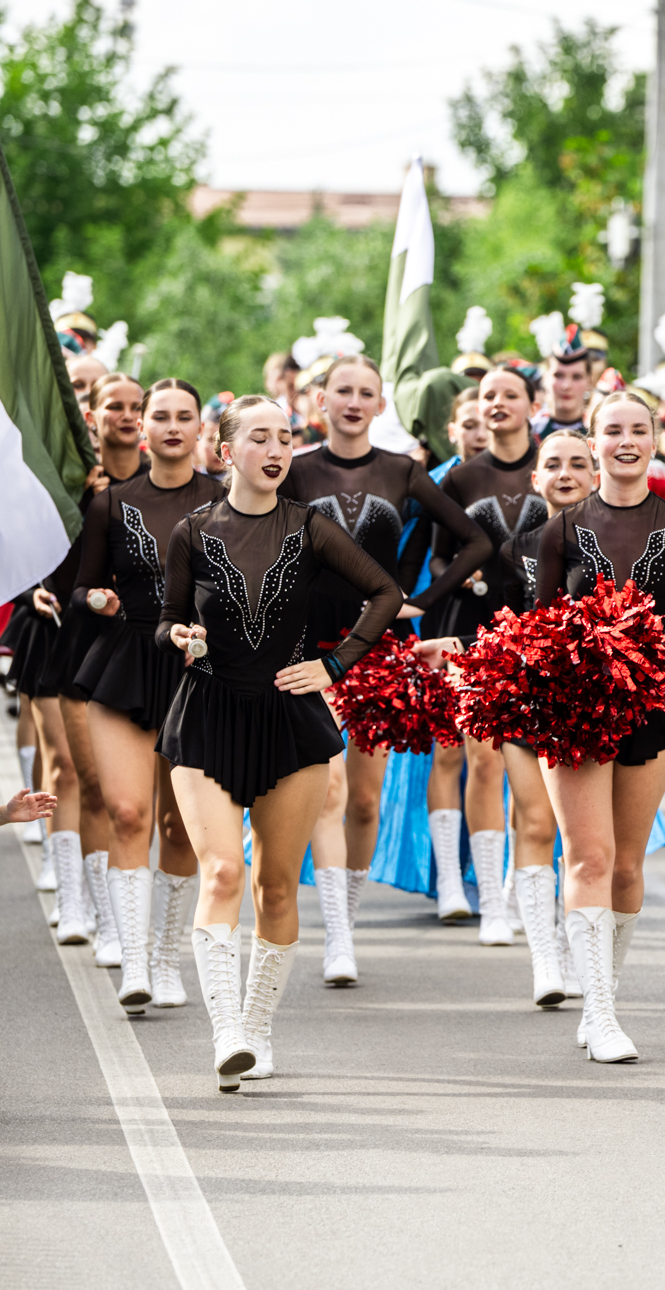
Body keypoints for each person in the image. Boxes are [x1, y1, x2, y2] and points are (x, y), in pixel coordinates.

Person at [157, 395, 404, 1090]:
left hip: (291, 720)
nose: (275, 449)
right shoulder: (191, 532)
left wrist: (335, 665)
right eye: (259, 437)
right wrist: (179, 636)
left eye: (285, 437)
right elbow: (166, 619)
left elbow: (385, 593)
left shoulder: (311, 527)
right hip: (205, 715)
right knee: (221, 873)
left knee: (273, 883)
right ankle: (226, 1033)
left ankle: (258, 1027)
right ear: (225, 451)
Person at [281, 356, 490, 983]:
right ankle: (337, 938)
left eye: (365, 392)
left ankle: (345, 919)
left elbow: (476, 540)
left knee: (366, 801)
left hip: (377, 649)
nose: (353, 401)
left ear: (380, 404)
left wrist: (419, 599)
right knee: (329, 789)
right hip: (308, 647)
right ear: (321, 400)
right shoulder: (295, 470)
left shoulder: (402, 471)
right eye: (342, 390)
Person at [523, 390, 665, 1062]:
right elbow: (540, 625)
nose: (626, 441)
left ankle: (607, 988)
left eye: (638, 430)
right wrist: (585, 653)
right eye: (612, 431)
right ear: (593, 443)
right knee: (589, 856)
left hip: (651, 701)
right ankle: (599, 1012)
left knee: (627, 866)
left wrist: (633, 649)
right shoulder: (560, 529)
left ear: (654, 441)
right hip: (571, 705)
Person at [69, 379, 222, 1014]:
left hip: (200, 670)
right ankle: (134, 959)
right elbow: (81, 588)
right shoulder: (110, 502)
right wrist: (96, 598)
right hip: (127, 662)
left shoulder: (225, 499)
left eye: (184, 416)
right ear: (145, 428)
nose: (171, 426)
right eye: (161, 416)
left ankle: (164, 957)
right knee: (128, 813)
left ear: (201, 428)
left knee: (180, 826)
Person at [418, 368, 548, 945]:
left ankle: (520, 889)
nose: (498, 403)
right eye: (489, 395)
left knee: (530, 766)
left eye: (510, 395)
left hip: (539, 632)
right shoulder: (460, 478)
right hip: (470, 630)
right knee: (479, 759)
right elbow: (438, 557)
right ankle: (480, 895)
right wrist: (462, 578)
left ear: (532, 405)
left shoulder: (554, 464)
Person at [43, 370, 148, 969]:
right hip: (84, 648)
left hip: (150, 653)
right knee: (97, 790)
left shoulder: (166, 484)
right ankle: (109, 924)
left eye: (137, 406)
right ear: (93, 416)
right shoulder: (74, 489)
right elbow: (62, 576)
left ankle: (145, 933)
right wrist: (81, 501)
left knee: (145, 806)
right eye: (115, 406)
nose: (127, 416)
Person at [531, 332, 595, 439]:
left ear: (589, 382)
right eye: (558, 375)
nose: (566, 386)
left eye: (576, 377)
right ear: (545, 378)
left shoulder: (597, 433)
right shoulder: (529, 431)